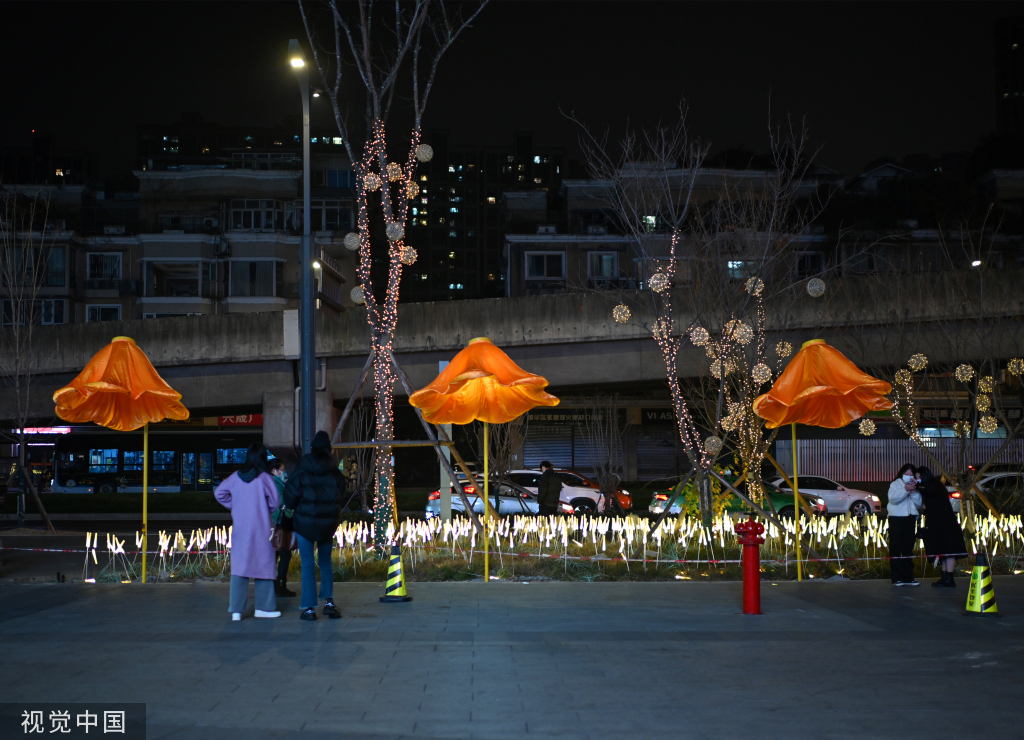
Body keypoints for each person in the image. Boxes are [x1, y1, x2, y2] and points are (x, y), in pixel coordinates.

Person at [214, 443, 281, 620]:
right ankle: (264, 608)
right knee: (265, 565)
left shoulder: (235, 477)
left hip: (240, 529)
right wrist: (265, 509)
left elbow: (219, 493)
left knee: (240, 567)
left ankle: (236, 611)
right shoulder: (265, 477)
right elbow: (275, 501)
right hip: (261, 528)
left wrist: (235, 505)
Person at [282, 430, 344, 621]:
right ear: (328, 449)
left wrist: (290, 509)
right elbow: (341, 493)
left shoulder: (304, 465)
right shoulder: (334, 470)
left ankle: (309, 608)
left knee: (307, 564)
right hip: (327, 524)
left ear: (313, 448)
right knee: (325, 562)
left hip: (305, 523)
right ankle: (329, 602)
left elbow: (291, 492)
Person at [917, 466, 967, 587]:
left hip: (946, 523)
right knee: (942, 550)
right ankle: (945, 576)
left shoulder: (935, 484)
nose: (917, 480)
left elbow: (929, 490)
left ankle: (949, 577)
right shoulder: (928, 488)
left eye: (918, 477)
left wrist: (917, 486)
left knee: (949, 550)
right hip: (937, 523)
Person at [887, 463, 922, 586]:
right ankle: (896, 577)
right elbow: (893, 499)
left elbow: (918, 504)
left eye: (911, 474)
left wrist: (913, 492)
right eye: (906, 474)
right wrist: (905, 490)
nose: (908, 476)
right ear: (901, 474)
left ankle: (908, 577)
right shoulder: (895, 484)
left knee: (908, 548)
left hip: (910, 518)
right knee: (896, 547)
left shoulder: (915, 486)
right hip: (896, 518)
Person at [268, 458, 296, 598]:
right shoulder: (275, 483)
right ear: (275, 470)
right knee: (283, 553)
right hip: (278, 523)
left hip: (275, 524)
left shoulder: (270, 481)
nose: (283, 473)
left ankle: (275, 586)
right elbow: (279, 503)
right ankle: (280, 586)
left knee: (277, 554)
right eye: (282, 470)